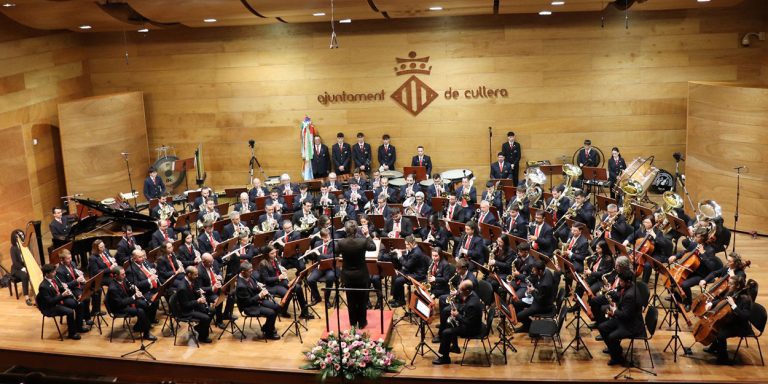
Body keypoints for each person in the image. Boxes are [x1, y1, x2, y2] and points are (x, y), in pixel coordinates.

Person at [703, 275, 754, 364]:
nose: (728, 285)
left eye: (730, 284)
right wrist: (711, 303)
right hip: (731, 321)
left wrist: (733, 305)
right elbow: (723, 300)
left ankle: (723, 358)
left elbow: (744, 316)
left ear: (737, 286)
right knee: (717, 326)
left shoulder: (746, 299)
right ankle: (715, 348)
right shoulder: (732, 292)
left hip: (740, 326)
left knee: (720, 334)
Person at [668, 226, 721, 311]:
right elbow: (685, 252)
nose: (695, 237)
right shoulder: (694, 244)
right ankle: (677, 297)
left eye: (697, 236)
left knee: (684, 284)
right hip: (690, 269)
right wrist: (675, 256)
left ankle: (688, 302)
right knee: (672, 276)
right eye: (695, 235)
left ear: (703, 238)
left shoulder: (710, 250)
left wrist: (703, 254)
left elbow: (711, 267)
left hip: (701, 274)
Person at [432, 280, 484, 365]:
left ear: (467, 291)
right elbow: (466, 311)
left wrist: (457, 315)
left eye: (460, 290)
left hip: (473, 329)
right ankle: (455, 347)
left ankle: (445, 358)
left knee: (446, 332)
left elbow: (469, 323)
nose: (459, 292)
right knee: (449, 323)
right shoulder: (472, 294)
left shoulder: (472, 304)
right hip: (472, 322)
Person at [598, 270, 644, 366]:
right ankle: (615, 351)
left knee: (611, 336)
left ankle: (618, 358)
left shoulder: (631, 295)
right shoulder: (628, 287)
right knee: (602, 327)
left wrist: (614, 311)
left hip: (632, 325)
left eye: (621, 281)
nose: (619, 283)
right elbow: (619, 297)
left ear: (628, 282)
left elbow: (625, 315)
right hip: (625, 319)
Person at [337, 221, 377, 328]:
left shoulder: (341, 243)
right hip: (361, 275)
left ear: (345, 230)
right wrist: (367, 234)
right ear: (356, 230)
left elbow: (335, 252)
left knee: (351, 300)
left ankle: (353, 322)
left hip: (347, 275)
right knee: (362, 300)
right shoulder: (363, 241)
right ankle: (362, 322)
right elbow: (373, 247)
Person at [258, 246, 314, 319]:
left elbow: (277, 271)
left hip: (279, 282)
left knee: (297, 287)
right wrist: (278, 277)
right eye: (272, 253)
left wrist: (282, 273)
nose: (274, 254)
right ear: (266, 254)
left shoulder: (275, 260)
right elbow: (266, 279)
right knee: (288, 293)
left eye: (275, 252)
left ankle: (304, 312)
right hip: (271, 286)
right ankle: (282, 311)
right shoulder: (263, 264)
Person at [106, 266, 157, 341]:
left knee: (145, 304)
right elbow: (120, 303)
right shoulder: (113, 288)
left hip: (127, 302)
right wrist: (134, 297)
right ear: (115, 276)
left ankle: (139, 326)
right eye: (122, 274)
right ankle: (146, 333)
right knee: (140, 311)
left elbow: (127, 292)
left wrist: (133, 288)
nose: (125, 276)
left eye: (124, 274)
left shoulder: (123, 280)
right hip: (119, 308)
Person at [37, 264, 85, 340]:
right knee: (70, 312)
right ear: (46, 274)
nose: (55, 273)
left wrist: (65, 288)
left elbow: (60, 288)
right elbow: (50, 302)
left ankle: (79, 326)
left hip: (60, 300)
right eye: (53, 272)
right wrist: (62, 295)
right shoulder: (43, 286)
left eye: (55, 271)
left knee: (80, 304)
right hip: (51, 307)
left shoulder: (55, 278)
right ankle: (72, 333)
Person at [236, 262, 281, 340]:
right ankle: (269, 333)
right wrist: (260, 295)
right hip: (249, 307)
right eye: (249, 271)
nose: (251, 273)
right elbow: (247, 302)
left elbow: (253, 286)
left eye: (251, 271)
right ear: (243, 272)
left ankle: (267, 327)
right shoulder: (241, 286)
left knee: (276, 306)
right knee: (271, 313)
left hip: (256, 300)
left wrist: (259, 287)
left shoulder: (249, 275)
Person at [623, 215, 673, 284]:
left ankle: (644, 284)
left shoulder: (658, 232)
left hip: (654, 253)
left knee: (647, 265)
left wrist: (655, 236)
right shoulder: (642, 229)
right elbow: (632, 235)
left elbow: (663, 244)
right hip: (641, 251)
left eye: (647, 222)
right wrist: (627, 241)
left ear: (652, 223)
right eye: (644, 222)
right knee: (626, 257)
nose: (644, 224)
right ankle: (627, 279)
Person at [513, 259, 556, 333]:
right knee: (515, 303)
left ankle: (529, 326)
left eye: (535, 270)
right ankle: (527, 325)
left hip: (543, 305)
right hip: (538, 298)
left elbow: (539, 300)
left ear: (540, 271)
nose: (533, 271)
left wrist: (532, 291)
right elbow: (535, 280)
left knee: (519, 316)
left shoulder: (545, 284)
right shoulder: (545, 271)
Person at [55, 249, 92, 330]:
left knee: (89, 295)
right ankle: (80, 323)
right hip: (70, 291)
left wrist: (81, 277)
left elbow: (75, 274)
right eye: (68, 259)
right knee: (82, 300)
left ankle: (87, 317)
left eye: (70, 257)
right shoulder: (60, 271)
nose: (70, 260)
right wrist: (76, 281)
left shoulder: (72, 263)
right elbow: (64, 286)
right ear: (62, 259)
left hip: (77, 287)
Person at [175, 266, 213, 343]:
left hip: (192, 304)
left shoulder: (192, 280)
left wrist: (199, 292)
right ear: (189, 274)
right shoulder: (182, 287)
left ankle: (199, 328)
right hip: (186, 311)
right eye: (195, 275)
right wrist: (198, 301)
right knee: (206, 318)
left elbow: (193, 291)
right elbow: (185, 305)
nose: (197, 276)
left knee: (212, 310)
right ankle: (202, 337)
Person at [389, 235, 429, 308]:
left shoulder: (416, 253)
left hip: (418, 274)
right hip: (412, 270)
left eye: (407, 244)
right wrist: (401, 252)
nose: (406, 246)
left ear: (411, 244)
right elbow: (408, 259)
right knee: (395, 275)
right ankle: (396, 298)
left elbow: (407, 265)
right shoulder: (413, 249)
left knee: (399, 280)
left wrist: (400, 256)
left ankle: (401, 301)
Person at [87, 239, 116, 316]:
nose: (103, 248)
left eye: (103, 246)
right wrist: (109, 269)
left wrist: (112, 261)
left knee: (120, 278)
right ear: (96, 248)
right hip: (100, 278)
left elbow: (110, 259)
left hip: (109, 274)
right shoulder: (93, 258)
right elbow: (96, 272)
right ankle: (108, 303)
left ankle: (115, 301)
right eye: (101, 247)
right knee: (114, 283)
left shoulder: (105, 251)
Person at [9, 230, 33, 305]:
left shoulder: (25, 245)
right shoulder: (13, 248)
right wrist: (23, 268)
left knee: (35, 272)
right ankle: (26, 297)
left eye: (22, 235)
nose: (22, 236)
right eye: (20, 235)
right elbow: (15, 262)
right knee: (25, 276)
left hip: (25, 266)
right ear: (15, 238)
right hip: (16, 269)